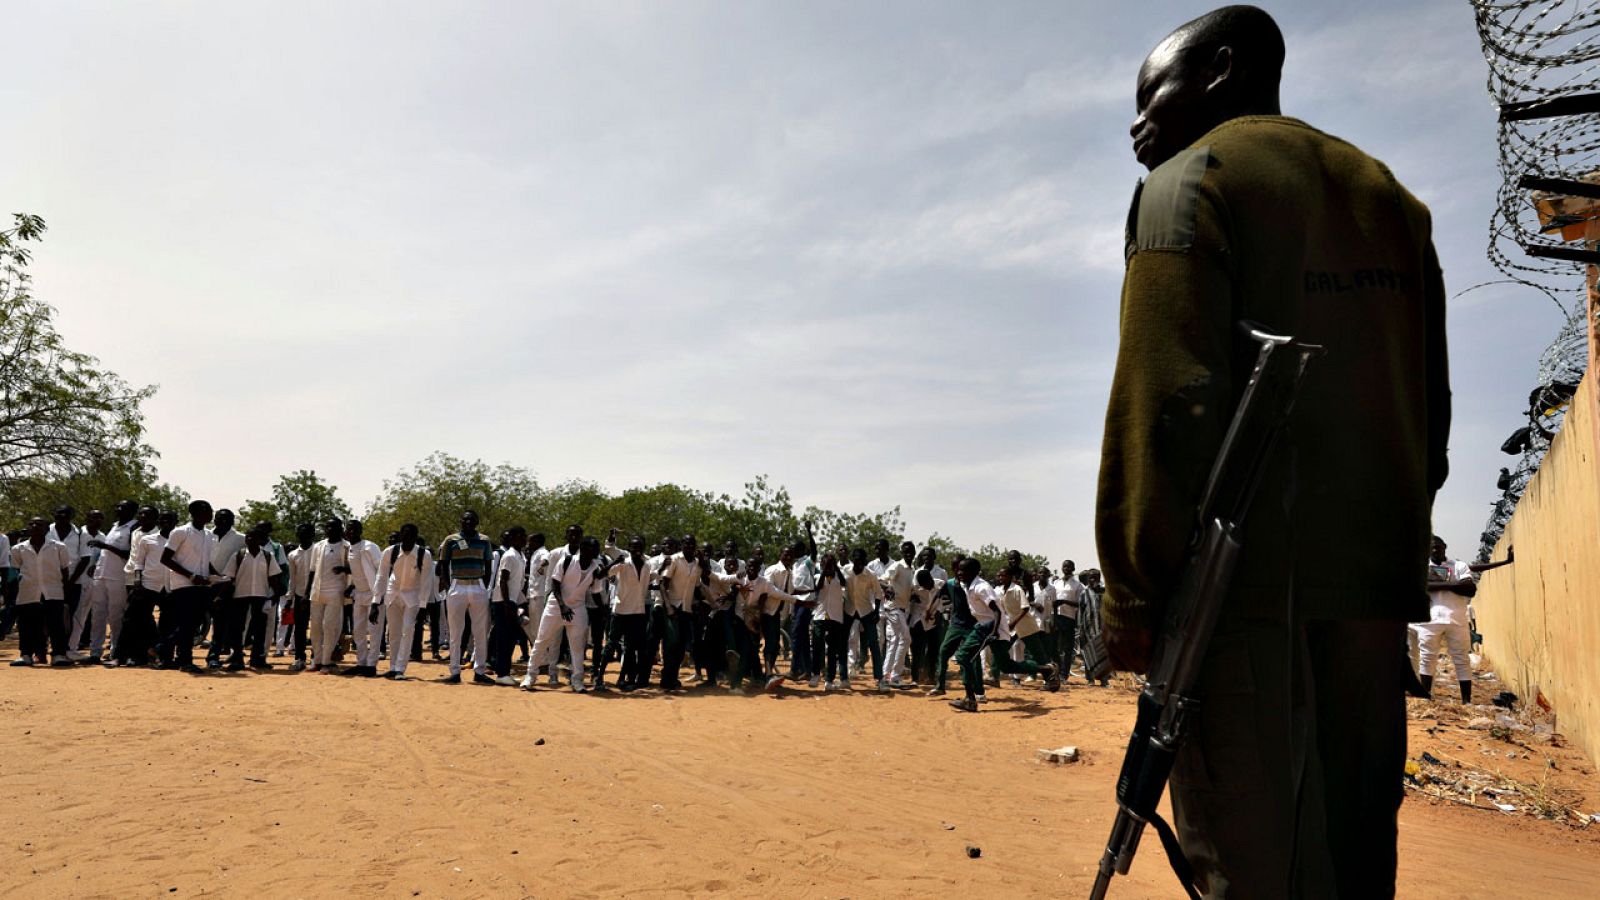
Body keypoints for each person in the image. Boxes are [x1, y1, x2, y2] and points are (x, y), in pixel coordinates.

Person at [1095, 7, 1451, 896]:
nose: (1137, 124)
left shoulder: (1191, 184)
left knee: (1251, 869)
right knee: (1354, 867)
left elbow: (1166, 406)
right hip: (1367, 612)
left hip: (1240, 606)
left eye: (1152, 96)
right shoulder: (1390, 200)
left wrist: (1134, 597)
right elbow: (1429, 413)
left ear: (1219, 70)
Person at [1412, 536, 1478, 703]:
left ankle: (1467, 701)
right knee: (1428, 658)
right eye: (1431, 547)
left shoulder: (1459, 565)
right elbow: (1422, 587)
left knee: (1461, 659)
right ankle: (1426, 698)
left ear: (1445, 546)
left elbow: (1470, 590)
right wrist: (1455, 585)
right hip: (1430, 620)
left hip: (1456, 619)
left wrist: (1438, 584)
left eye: (1438, 546)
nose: (1435, 550)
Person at [531, 535, 602, 692]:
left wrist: (602, 610)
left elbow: (596, 592)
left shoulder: (596, 567)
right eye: (594, 548)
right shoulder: (567, 561)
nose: (597, 551)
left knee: (577, 647)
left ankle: (577, 681)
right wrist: (562, 606)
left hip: (577, 608)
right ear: (584, 549)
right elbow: (555, 585)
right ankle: (531, 676)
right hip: (556, 606)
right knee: (542, 641)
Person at [438, 511, 494, 685]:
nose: (468, 522)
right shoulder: (451, 540)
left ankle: (479, 671)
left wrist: (483, 587)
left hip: (477, 587)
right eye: (465, 519)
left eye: (472, 519)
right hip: (457, 586)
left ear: (477, 522)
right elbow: (443, 564)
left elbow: (488, 565)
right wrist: (449, 587)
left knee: (480, 632)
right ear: (460, 521)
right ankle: (454, 672)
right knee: (455, 632)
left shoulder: (484, 541)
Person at [373, 524, 434, 680]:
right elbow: (381, 576)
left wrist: (423, 605)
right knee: (393, 632)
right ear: (400, 536)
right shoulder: (390, 552)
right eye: (405, 534)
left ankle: (400, 668)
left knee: (408, 630)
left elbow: (426, 581)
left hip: (413, 595)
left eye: (411, 535)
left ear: (416, 537)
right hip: (393, 593)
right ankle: (393, 667)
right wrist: (375, 601)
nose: (407, 538)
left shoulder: (423, 554)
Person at [10, 517, 73, 667]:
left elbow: (65, 570)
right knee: (27, 625)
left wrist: (64, 590)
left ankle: (58, 654)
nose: (34, 526)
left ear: (47, 529)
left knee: (55, 624)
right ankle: (26, 655)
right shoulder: (18, 549)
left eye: (39, 524)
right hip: (28, 592)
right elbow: (18, 568)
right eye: (31, 524)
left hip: (53, 591)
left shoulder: (58, 547)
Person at [219, 528, 283, 671]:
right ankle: (237, 659)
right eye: (247, 537)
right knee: (238, 629)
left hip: (261, 596)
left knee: (260, 629)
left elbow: (273, 577)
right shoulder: (238, 555)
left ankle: (257, 659)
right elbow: (229, 577)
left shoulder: (268, 556)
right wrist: (220, 595)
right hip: (240, 596)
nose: (249, 539)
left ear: (259, 540)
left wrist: (276, 594)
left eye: (253, 537)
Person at [84, 500, 137, 665]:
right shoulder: (115, 526)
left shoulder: (134, 528)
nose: (117, 509)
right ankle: (95, 651)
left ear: (132, 511)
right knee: (97, 615)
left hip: (119, 576)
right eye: (117, 506)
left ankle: (116, 651)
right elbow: (106, 552)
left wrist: (104, 546)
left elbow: (129, 554)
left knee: (116, 616)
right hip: (101, 574)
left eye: (122, 507)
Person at [121, 508, 171, 667]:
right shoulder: (138, 534)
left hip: (165, 585)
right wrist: (137, 582)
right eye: (141, 514)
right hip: (140, 581)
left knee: (161, 620)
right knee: (136, 619)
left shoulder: (173, 539)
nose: (143, 517)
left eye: (147, 515)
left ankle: (159, 653)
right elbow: (138, 561)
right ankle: (137, 654)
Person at [605, 534, 654, 691]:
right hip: (621, 611)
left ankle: (631, 678)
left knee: (634, 647)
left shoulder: (648, 565)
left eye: (639, 546)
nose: (636, 549)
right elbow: (606, 573)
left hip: (639, 611)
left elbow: (651, 579)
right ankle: (600, 677)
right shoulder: (624, 563)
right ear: (629, 548)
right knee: (615, 645)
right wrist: (612, 544)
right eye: (633, 547)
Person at [305, 518, 352, 673]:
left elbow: (353, 569)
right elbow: (312, 570)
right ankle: (316, 660)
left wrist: (344, 570)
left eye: (333, 526)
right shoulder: (318, 546)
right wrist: (307, 592)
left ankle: (327, 661)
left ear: (340, 529)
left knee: (330, 626)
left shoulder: (347, 547)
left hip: (336, 591)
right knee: (316, 627)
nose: (329, 529)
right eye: (327, 526)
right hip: (317, 591)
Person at [48, 506, 93, 661]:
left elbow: (85, 558)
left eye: (66, 514)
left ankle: (65, 650)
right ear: (53, 514)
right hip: (49, 582)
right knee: (50, 617)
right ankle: (47, 650)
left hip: (73, 583)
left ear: (72, 516)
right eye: (58, 513)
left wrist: (70, 581)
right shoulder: (46, 530)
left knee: (68, 617)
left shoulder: (81, 534)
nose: (61, 516)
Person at [344, 520, 384, 677]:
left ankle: (371, 665)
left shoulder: (370, 547)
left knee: (374, 630)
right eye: (349, 530)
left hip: (373, 594)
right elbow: (358, 571)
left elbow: (381, 570)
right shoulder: (350, 549)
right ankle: (361, 662)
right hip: (359, 594)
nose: (351, 532)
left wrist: (378, 597)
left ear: (360, 531)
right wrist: (352, 586)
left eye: (354, 530)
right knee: (358, 631)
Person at [488, 526, 528, 685]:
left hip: (513, 601)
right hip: (503, 602)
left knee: (511, 638)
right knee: (505, 638)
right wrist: (506, 603)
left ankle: (504, 672)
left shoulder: (520, 556)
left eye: (524, 536)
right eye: (520, 536)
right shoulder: (509, 556)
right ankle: (502, 674)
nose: (524, 539)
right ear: (511, 539)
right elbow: (503, 580)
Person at [286, 524, 316, 671]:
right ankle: (299, 657)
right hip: (299, 595)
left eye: (307, 533)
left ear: (313, 534)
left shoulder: (318, 551)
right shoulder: (293, 555)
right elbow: (292, 578)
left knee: (317, 628)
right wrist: (289, 598)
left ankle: (316, 657)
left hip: (316, 595)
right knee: (300, 628)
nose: (304, 536)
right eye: (301, 533)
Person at [1050, 560, 1083, 679]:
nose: (1066, 568)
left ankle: (1065, 674)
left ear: (1073, 568)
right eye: (1064, 566)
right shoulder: (1056, 583)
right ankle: (1056, 671)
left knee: (1067, 648)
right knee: (1054, 647)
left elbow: (1079, 603)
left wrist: (1064, 602)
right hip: (1056, 616)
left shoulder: (1077, 585)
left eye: (1069, 566)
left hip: (1069, 618)